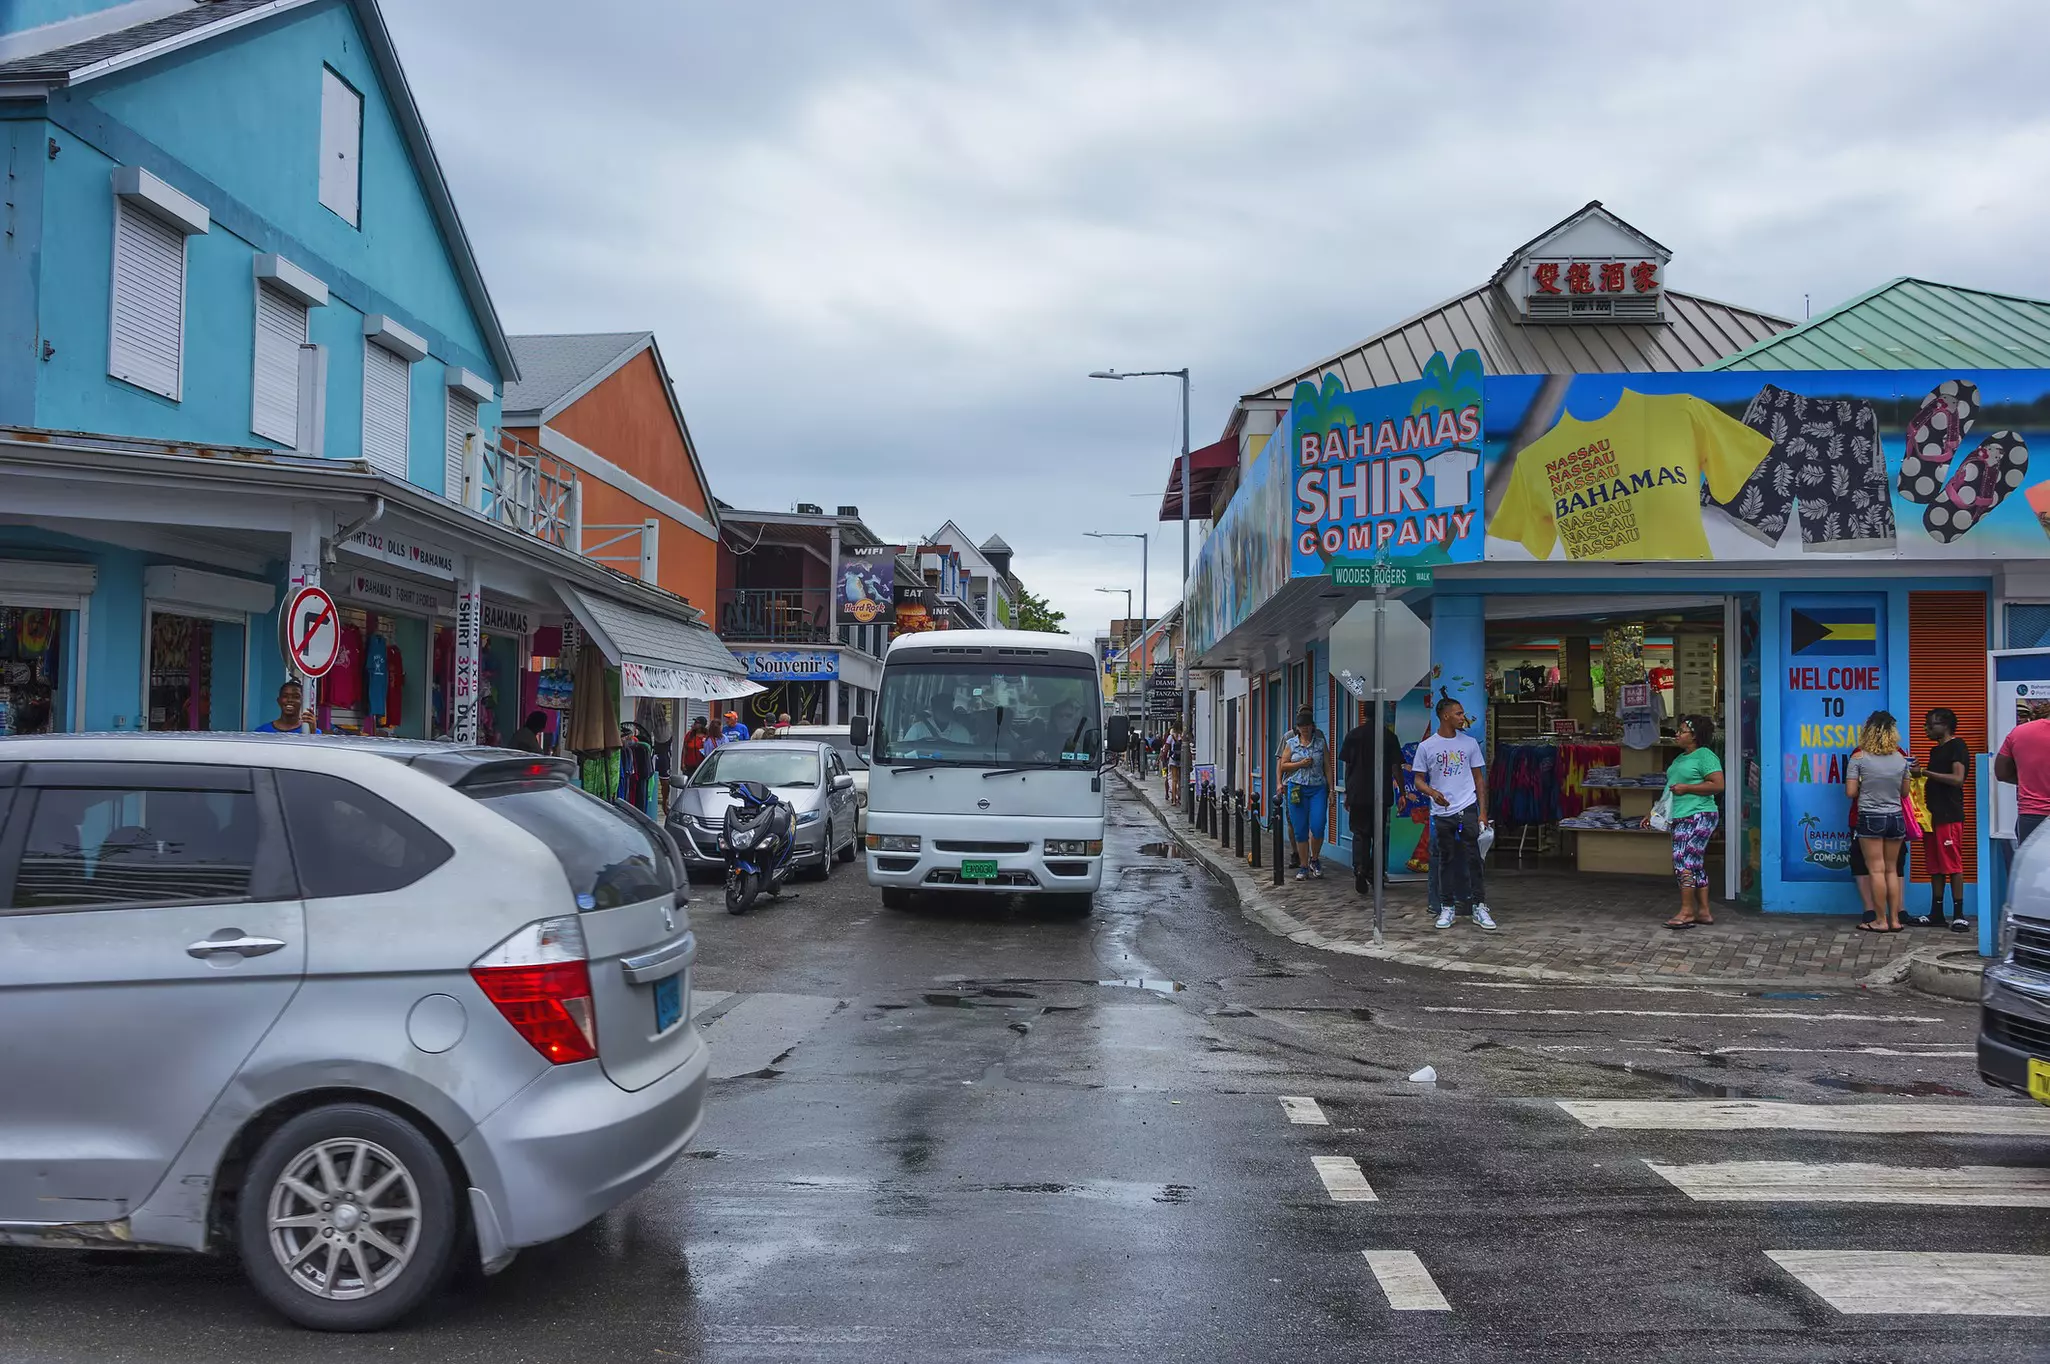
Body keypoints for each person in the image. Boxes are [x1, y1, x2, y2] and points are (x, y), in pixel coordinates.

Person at [1412, 697, 1495, 930]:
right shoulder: (1427, 746)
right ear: (1445, 716)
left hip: (1467, 807)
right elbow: (1418, 779)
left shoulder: (1469, 744)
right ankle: (1447, 907)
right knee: (1445, 860)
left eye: (1462, 713)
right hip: (1442, 811)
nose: (1462, 717)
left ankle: (1479, 906)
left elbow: (1479, 780)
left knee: (1474, 859)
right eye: (1458, 714)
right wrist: (1432, 792)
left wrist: (1482, 813)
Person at [1846, 711, 1911, 933]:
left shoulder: (1859, 758)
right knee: (1892, 870)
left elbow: (1851, 792)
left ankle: (1880, 920)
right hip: (1896, 817)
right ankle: (1895, 920)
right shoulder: (1902, 759)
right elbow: (1905, 793)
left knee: (1875, 870)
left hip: (1870, 817)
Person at [1662, 715, 1725, 929]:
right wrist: (1654, 812)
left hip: (1699, 815)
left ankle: (1687, 911)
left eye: (1682, 731)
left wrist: (1687, 788)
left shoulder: (1705, 756)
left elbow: (1717, 785)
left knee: (1683, 860)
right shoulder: (1680, 759)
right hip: (1681, 815)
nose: (1677, 734)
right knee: (1694, 863)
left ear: (1695, 735)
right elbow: (1670, 788)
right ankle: (1704, 912)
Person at [1338, 704, 1404, 896]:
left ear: (1364, 714)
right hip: (1380, 793)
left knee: (1360, 833)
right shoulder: (1389, 737)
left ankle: (1359, 867)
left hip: (1358, 792)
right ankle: (1375, 872)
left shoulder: (1353, 735)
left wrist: (1348, 793)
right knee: (1378, 835)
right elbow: (1396, 768)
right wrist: (1402, 791)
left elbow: (1348, 767)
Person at [1915, 708, 1971, 931]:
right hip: (1932, 816)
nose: (1927, 729)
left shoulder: (1957, 746)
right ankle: (1936, 912)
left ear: (1945, 725)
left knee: (1953, 864)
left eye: (1931, 724)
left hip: (1949, 814)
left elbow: (1958, 779)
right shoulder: (1935, 750)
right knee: (1935, 866)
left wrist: (1925, 773)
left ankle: (1959, 914)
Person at [1278, 708, 1330, 880]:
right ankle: (1303, 865)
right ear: (1297, 728)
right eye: (1301, 726)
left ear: (1312, 726)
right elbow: (1283, 765)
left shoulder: (1320, 743)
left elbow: (1328, 767)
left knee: (1318, 824)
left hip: (1317, 788)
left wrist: (1331, 790)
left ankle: (1314, 859)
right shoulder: (1291, 743)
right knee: (1299, 829)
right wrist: (1300, 764)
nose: (1305, 729)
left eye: (1307, 725)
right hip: (1296, 788)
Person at [1995, 700, 2050, 846]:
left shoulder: (2020, 732)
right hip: (2033, 814)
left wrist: (2028, 779)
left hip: (2032, 814)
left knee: (2032, 867)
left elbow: (2001, 773)